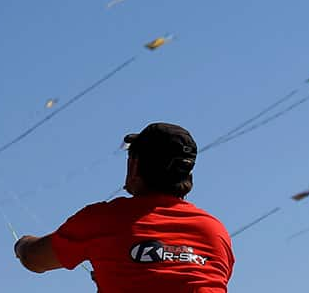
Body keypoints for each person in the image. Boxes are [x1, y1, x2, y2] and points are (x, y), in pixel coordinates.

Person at [13, 122, 234, 292]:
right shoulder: (215, 232)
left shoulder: (103, 220)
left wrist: (22, 245)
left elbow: (35, 259)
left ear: (134, 165)